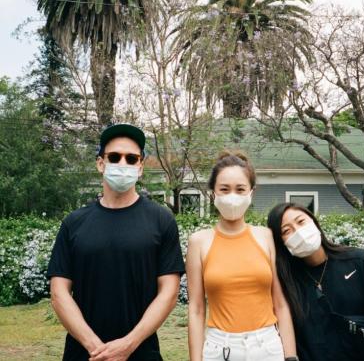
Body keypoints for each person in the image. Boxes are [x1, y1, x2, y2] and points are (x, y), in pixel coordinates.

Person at [47, 123, 185, 361]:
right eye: (114, 157)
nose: (123, 164)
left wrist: (128, 344)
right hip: (83, 354)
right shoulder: (74, 223)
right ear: (100, 163)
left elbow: (169, 292)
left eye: (131, 159)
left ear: (140, 167)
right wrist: (95, 347)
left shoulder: (161, 220)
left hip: (142, 353)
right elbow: (59, 292)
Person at [186, 151, 298, 361]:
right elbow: (196, 309)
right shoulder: (199, 242)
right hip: (220, 349)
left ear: (251, 193)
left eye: (240, 189)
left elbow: (280, 304)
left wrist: (290, 356)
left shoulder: (266, 236)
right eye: (224, 189)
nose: (232, 196)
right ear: (213, 194)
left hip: (267, 347)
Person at [267, 203, 364, 361]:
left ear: (315, 222)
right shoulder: (286, 284)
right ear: (281, 242)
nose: (298, 232)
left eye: (301, 222)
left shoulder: (361, 262)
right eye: (286, 231)